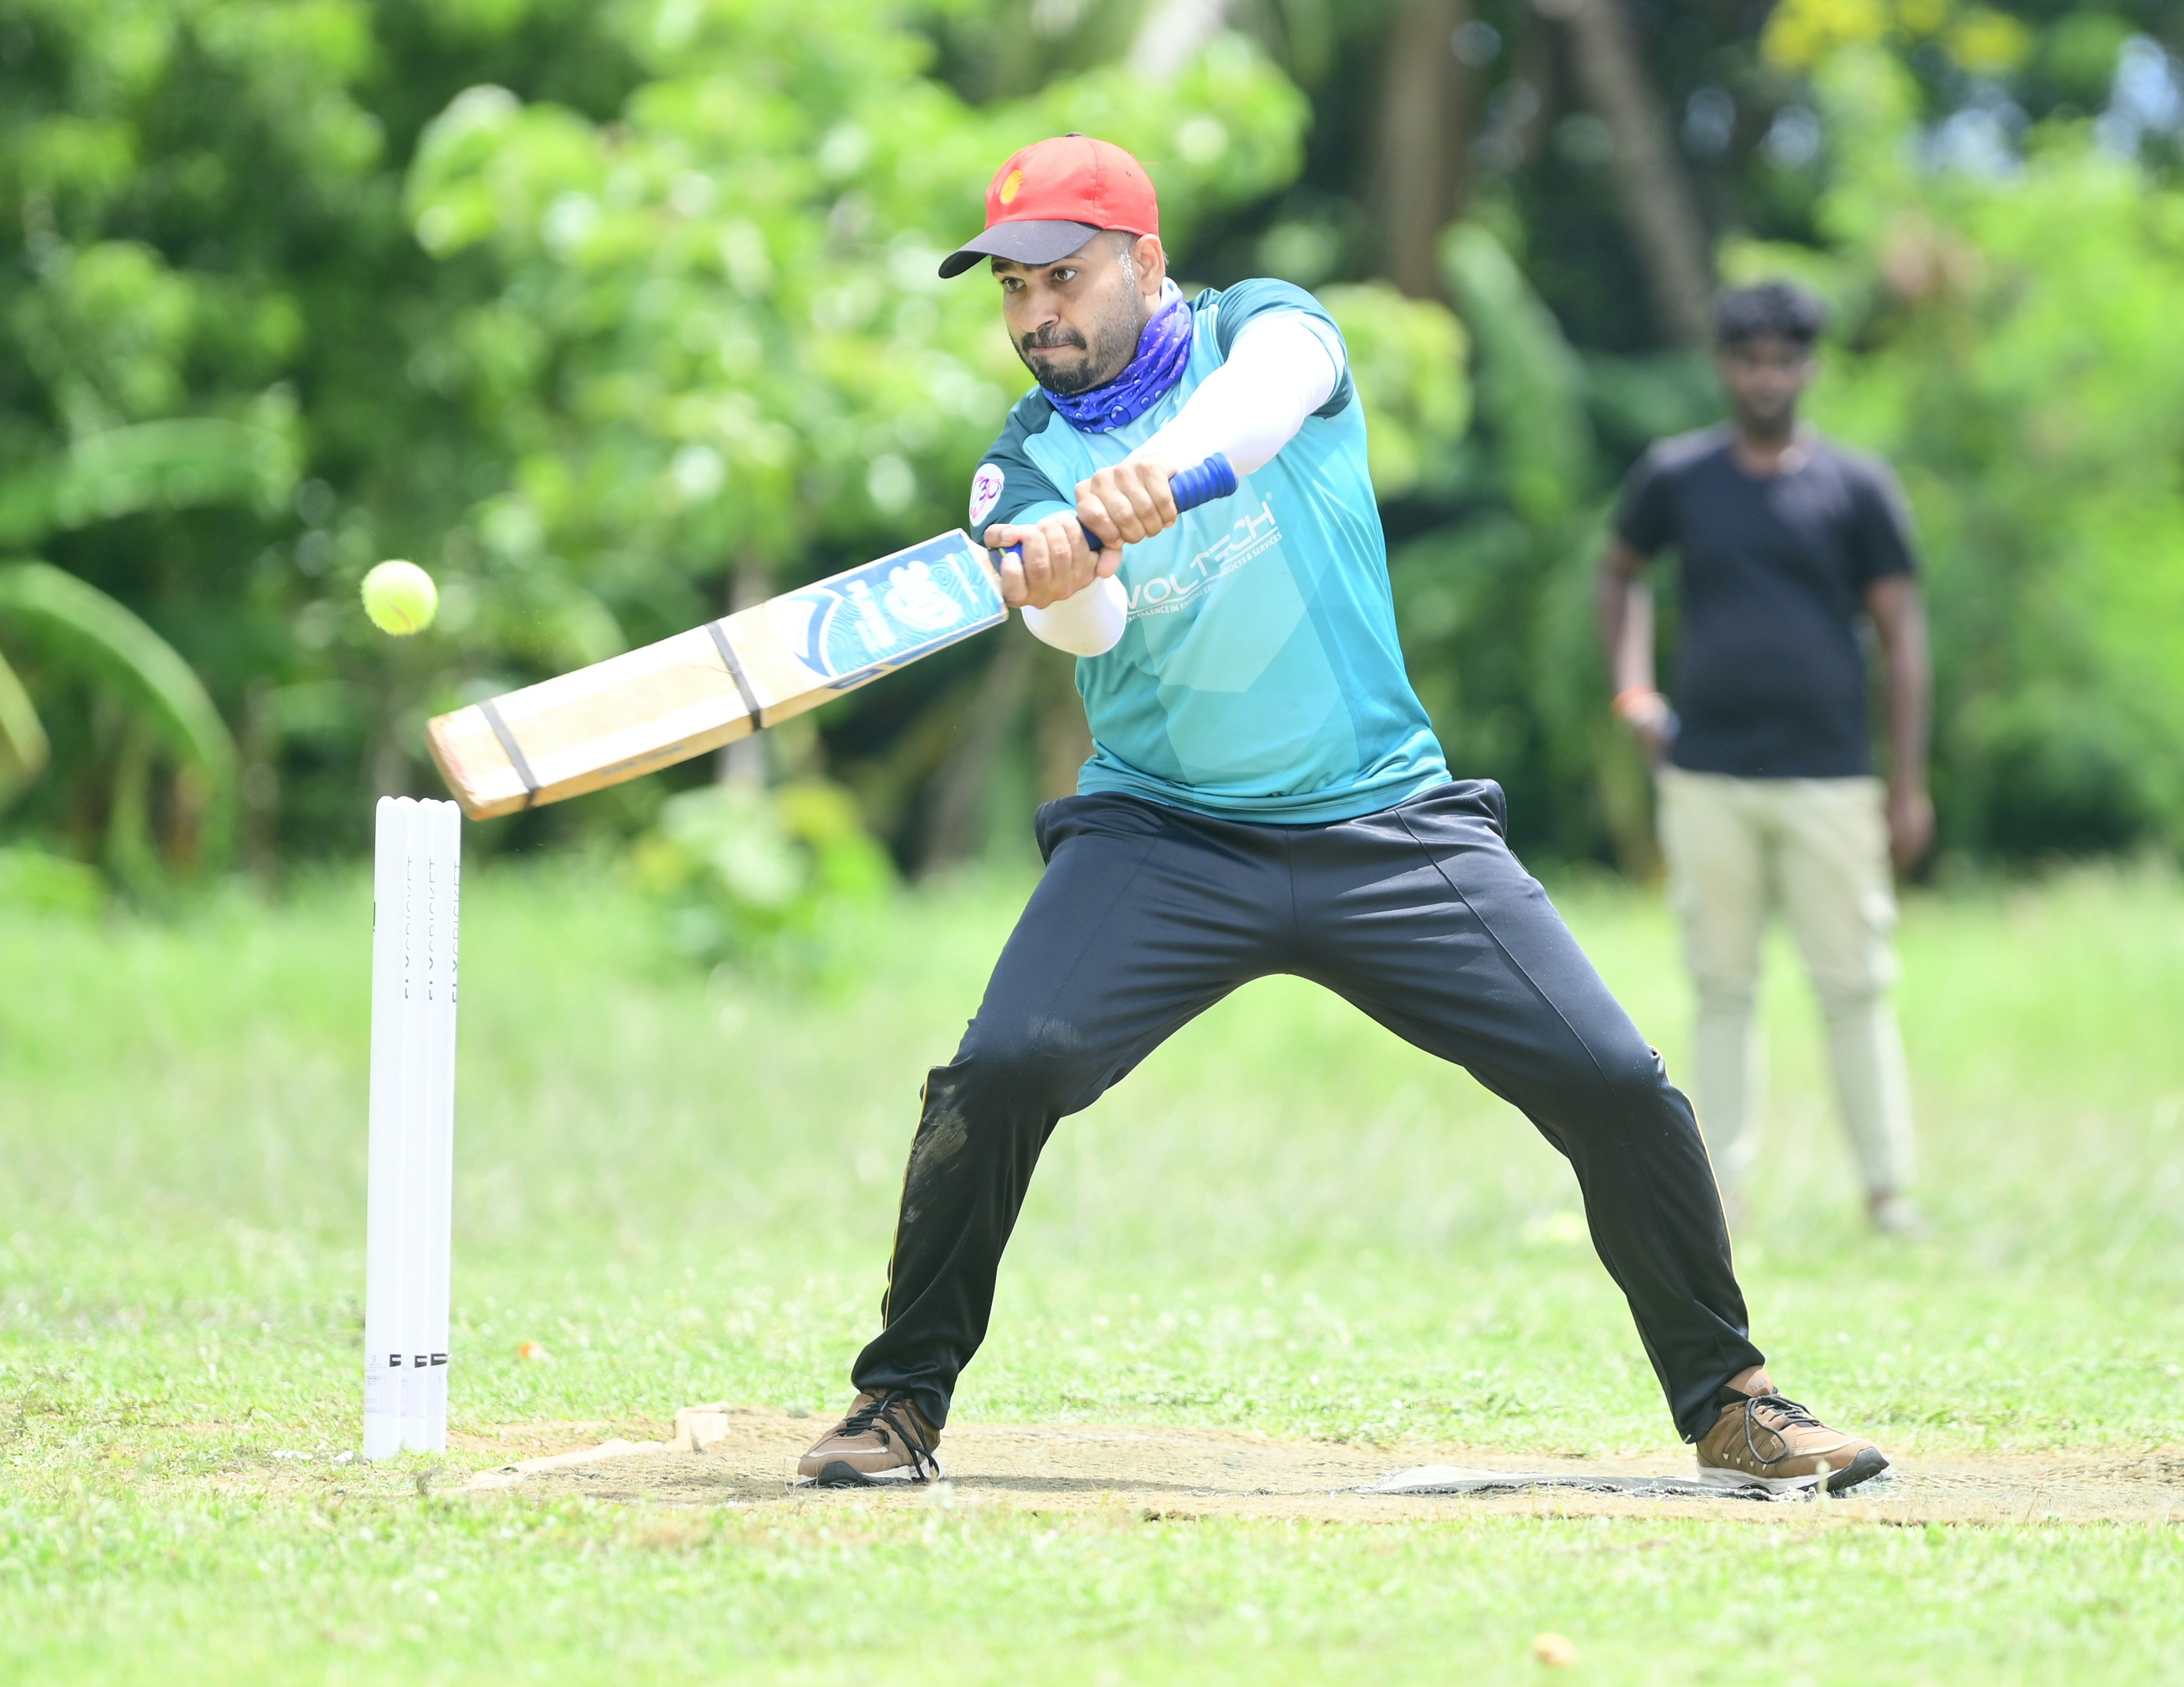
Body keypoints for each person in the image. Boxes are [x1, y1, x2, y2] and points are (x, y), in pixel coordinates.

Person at [798, 137, 1888, 1496]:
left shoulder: (1267, 325)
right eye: (1012, 293)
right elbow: (1094, 620)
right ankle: (898, 1401)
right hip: (1166, 837)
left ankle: (1732, 1402)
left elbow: (1267, 404)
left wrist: (1159, 484)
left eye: (1062, 279)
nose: (1036, 318)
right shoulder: (1019, 464)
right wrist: (1064, 565)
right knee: (1003, 1072)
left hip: (1388, 822)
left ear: (1146, 262)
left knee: (1614, 1082)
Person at [1597, 280, 1932, 1237]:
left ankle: (1887, 1191)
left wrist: (1907, 782)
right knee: (1722, 985)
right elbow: (1620, 574)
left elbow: (1903, 637)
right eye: (1749, 358)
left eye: (1785, 359)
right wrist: (1635, 692)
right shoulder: (1680, 476)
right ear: (1724, 365)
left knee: (1854, 983)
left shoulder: (1857, 488)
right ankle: (1724, 1191)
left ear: (1810, 367)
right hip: (1707, 774)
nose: (1767, 376)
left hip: (1832, 776)